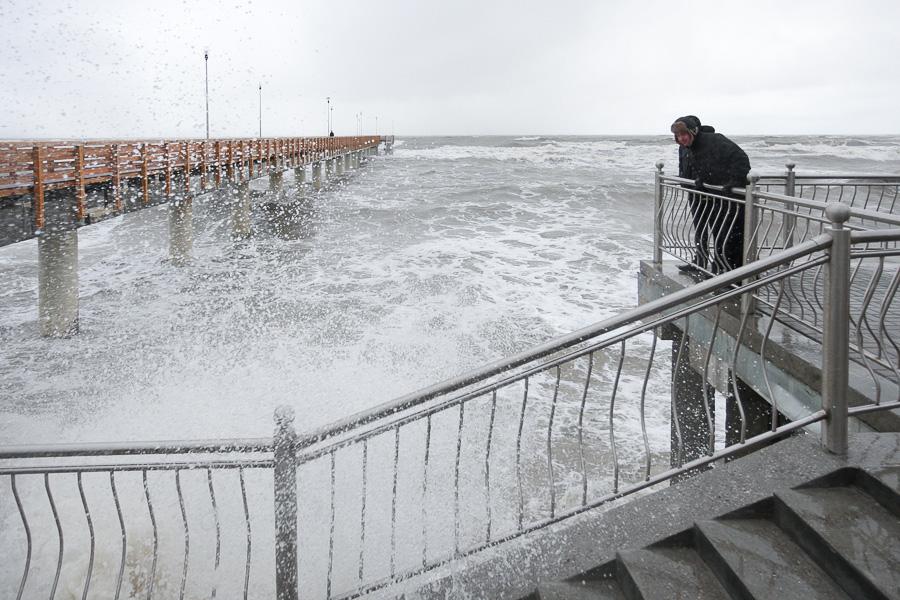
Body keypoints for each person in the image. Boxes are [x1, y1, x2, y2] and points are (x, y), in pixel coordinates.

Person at [671, 115, 751, 274]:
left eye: (683, 134)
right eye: (678, 136)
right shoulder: (691, 147)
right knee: (721, 235)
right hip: (716, 195)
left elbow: (740, 158)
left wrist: (734, 181)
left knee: (728, 236)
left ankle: (729, 273)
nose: (681, 138)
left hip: (730, 196)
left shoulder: (714, 140)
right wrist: (701, 179)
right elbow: (707, 165)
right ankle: (719, 269)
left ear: (693, 131)